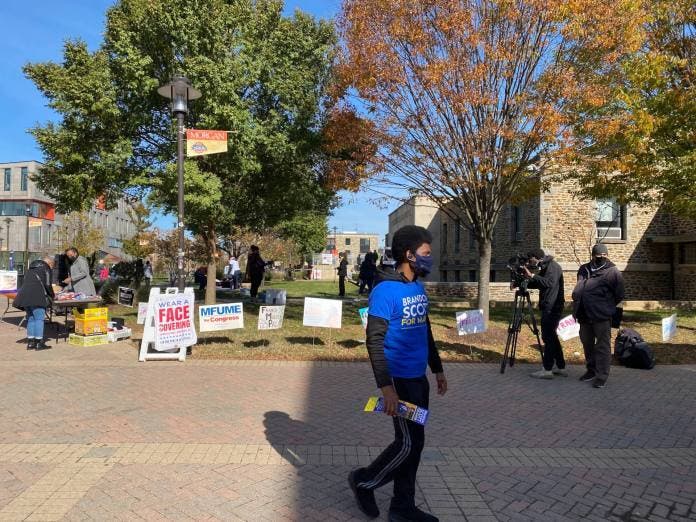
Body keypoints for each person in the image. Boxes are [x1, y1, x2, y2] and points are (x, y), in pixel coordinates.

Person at [348, 225, 446, 522]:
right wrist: (386, 388)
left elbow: (424, 330)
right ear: (409, 254)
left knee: (415, 444)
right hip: (399, 382)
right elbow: (374, 341)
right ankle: (363, 481)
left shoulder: (416, 286)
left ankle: (403, 506)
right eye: (426, 253)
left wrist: (437, 368)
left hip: (419, 380)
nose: (430, 257)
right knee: (407, 443)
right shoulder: (384, 291)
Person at [572, 243, 625, 389]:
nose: (601, 257)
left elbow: (619, 294)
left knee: (602, 346)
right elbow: (580, 285)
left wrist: (605, 305)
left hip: (601, 315)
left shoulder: (613, 271)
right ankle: (591, 370)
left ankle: (602, 375)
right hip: (583, 313)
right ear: (593, 255)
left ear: (607, 255)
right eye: (598, 255)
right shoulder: (584, 269)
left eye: (604, 255)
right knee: (587, 343)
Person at [523, 248, 567, 379]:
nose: (531, 263)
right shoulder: (546, 266)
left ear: (536, 258)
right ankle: (560, 366)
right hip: (550, 306)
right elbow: (540, 283)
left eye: (531, 260)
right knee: (551, 336)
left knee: (548, 337)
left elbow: (549, 283)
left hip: (553, 307)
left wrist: (531, 275)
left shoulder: (552, 267)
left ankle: (547, 369)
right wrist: (524, 282)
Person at [14, 256, 55, 350]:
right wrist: (52, 295)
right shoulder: (46, 268)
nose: (52, 267)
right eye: (52, 265)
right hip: (38, 297)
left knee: (31, 319)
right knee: (39, 319)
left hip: (25, 297)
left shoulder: (30, 269)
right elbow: (48, 284)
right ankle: (39, 343)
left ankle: (30, 343)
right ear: (50, 263)